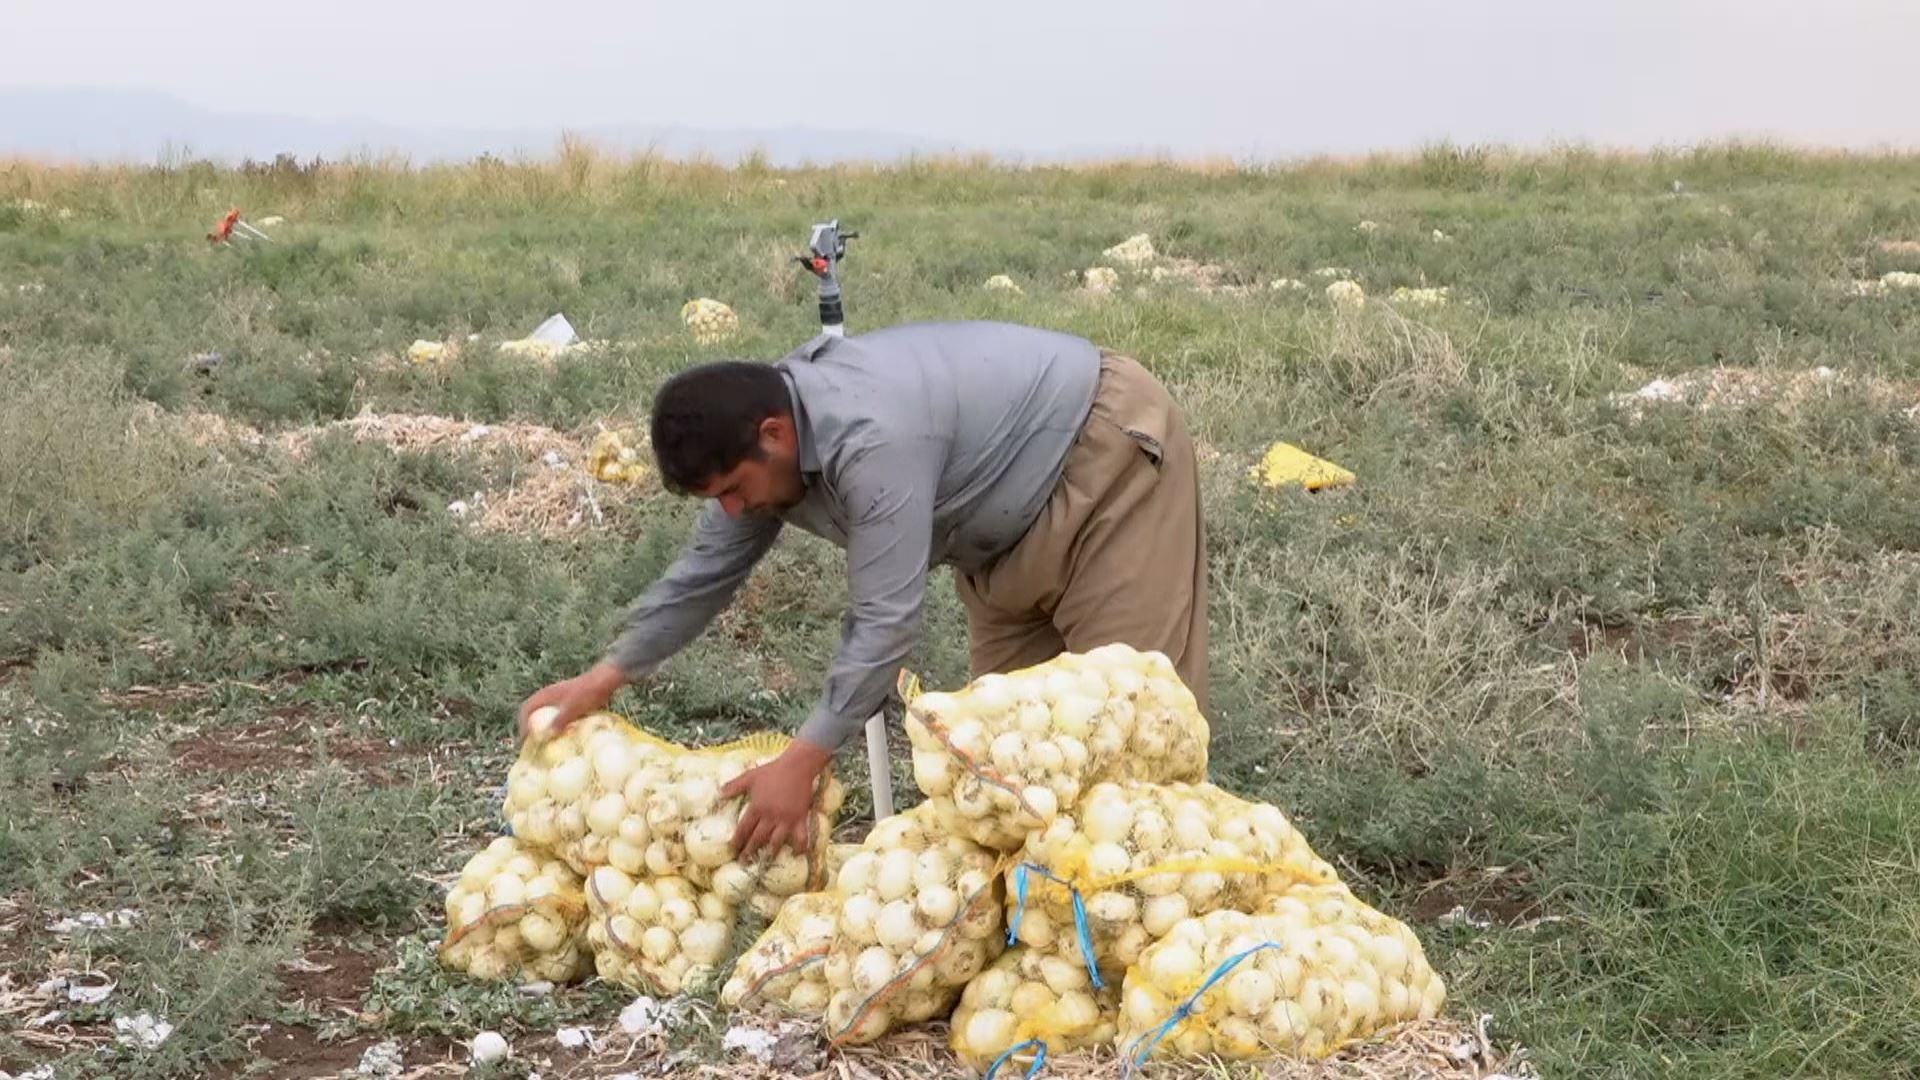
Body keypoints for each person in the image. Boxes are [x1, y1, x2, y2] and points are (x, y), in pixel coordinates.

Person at [517, 319, 1208, 858]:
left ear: (773, 434)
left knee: (1134, 730)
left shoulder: (872, 439)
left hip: (1101, 460)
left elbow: (885, 619)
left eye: (733, 490)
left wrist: (804, 759)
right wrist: (609, 675)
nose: (731, 510)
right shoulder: (763, 445)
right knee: (1007, 764)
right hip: (1000, 535)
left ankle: (1168, 910)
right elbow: (703, 574)